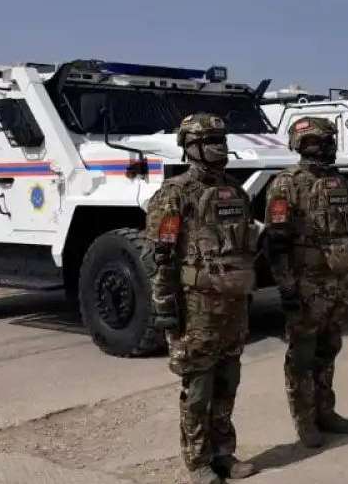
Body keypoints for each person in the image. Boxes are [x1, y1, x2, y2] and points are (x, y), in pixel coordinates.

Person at [146, 114, 256, 484]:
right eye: (210, 140)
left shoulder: (236, 193)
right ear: (190, 146)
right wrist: (164, 305)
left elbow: (246, 245)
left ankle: (224, 452)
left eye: (221, 139)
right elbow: (161, 256)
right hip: (195, 307)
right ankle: (198, 462)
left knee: (228, 380)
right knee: (198, 387)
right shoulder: (174, 194)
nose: (219, 146)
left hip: (232, 302)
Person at [265, 117, 348, 448]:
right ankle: (305, 421)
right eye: (320, 142)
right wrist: (286, 288)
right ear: (304, 145)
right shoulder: (285, 184)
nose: (327, 147)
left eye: (329, 140)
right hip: (306, 285)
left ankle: (326, 411)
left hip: (337, 281)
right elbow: (276, 243)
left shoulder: (340, 182)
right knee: (302, 356)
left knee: (329, 349)